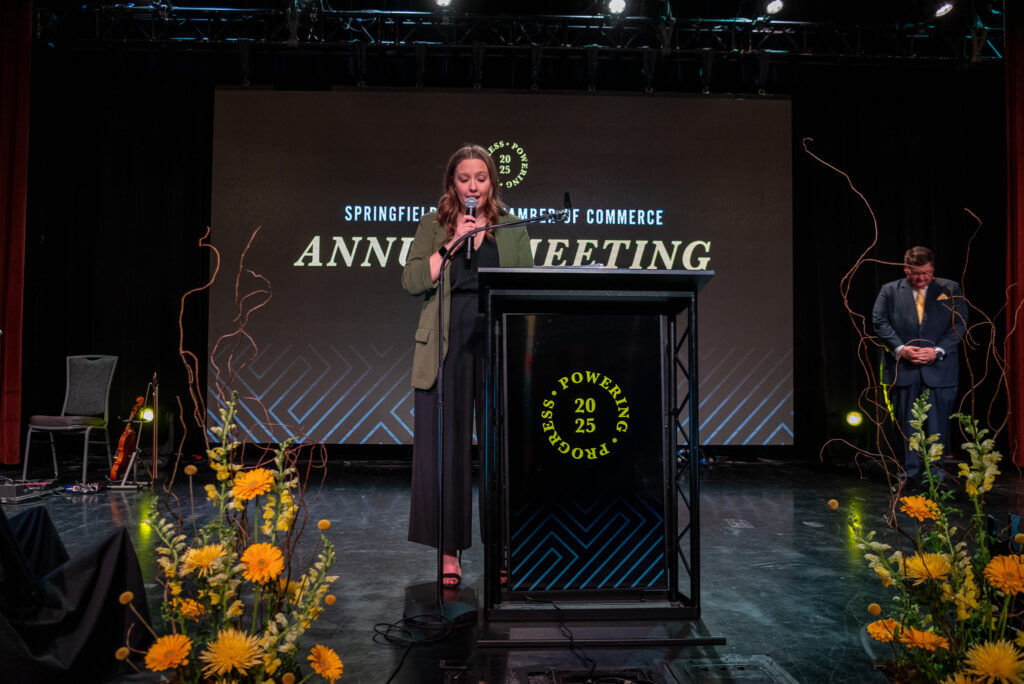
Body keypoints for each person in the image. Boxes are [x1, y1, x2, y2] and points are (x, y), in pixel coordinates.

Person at [402, 144, 533, 587]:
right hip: (446, 341)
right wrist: (452, 242)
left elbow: (526, 287)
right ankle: (449, 552)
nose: (473, 186)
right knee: (447, 449)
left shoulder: (511, 227)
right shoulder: (432, 225)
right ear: (452, 183)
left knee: (501, 450)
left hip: (496, 338)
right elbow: (412, 281)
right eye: (464, 179)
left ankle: (503, 549)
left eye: (481, 177)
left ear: (492, 181)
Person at [872, 246, 967, 483]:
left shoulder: (950, 289)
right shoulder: (889, 290)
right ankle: (909, 475)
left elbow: (960, 323)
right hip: (903, 371)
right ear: (906, 269)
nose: (921, 278)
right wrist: (900, 349)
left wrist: (937, 350)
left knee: (937, 427)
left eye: (926, 273)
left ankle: (936, 477)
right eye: (916, 273)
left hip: (940, 371)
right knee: (906, 427)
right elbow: (879, 321)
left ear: (932, 268)